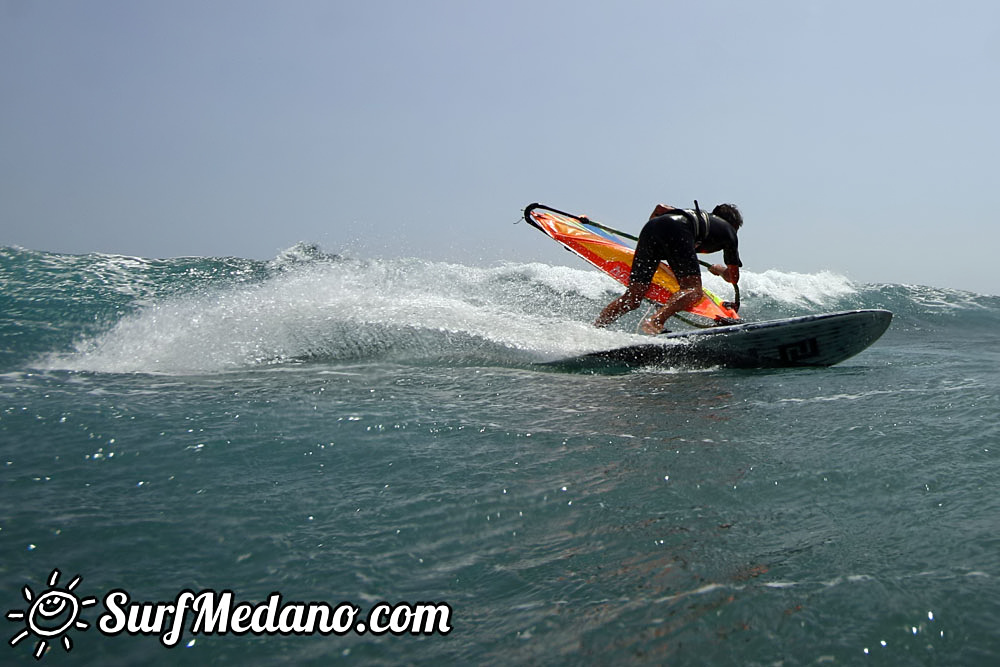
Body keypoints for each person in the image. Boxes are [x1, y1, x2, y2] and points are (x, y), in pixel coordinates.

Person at [594, 202, 743, 334]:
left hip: (650, 229)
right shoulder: (729, 231)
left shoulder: (697, 217)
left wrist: (648, 244)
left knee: (633, 296)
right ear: (734, 225)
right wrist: (719, 269)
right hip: (678, 230)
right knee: (694, 291)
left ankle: (596, 327)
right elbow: (733, 277)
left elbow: (661, 208)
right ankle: (656, 321)